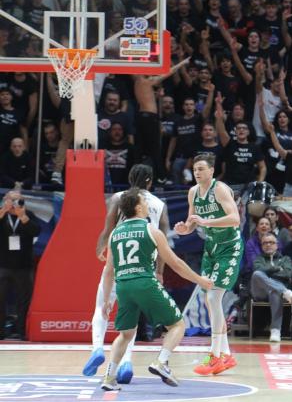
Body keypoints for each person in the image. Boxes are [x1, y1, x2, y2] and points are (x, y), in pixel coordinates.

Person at [100, 189, 213, 391]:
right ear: (137, 207)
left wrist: (107, 299)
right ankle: (161, 362)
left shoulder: (115, 234)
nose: (147, 205)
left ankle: (109, 377)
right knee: (178, 325)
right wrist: (200, 280)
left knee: (125, 334)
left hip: (124, 286)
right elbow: (176, 263)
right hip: (144, 282)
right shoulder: (151, 230)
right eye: (144, 201)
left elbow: (108, 271)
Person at [84, 165, 169, 383]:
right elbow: (164, 243)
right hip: (145, 266)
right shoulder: (160, 205)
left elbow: (108, 226)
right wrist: (160, 271)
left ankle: (96, 349)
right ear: (150, 181)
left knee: (101, 306)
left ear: (130, 178)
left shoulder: (118, 198)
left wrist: (100, 245)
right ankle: (126, 361)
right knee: (130, 315)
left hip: (120, 258)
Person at [174, 153, 243, 375]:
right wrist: (185, 229)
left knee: (213, 297)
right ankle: (226, 355)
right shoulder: (193, 192)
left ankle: (214, 356)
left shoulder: (220, 189)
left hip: (229, 247)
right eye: (195, 169)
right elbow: (192, 222)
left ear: (212, 171)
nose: (197, 172)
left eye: (202, 169)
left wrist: (207, 221)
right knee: (210, 300)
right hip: (211, 248)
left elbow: (235, 218)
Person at [0, 190, 40, 340]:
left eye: (18, 200)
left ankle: (22, 331)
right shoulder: (2, 215)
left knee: (23, 300)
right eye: (12, 200)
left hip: (24, 266)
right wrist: (3, 210)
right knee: (0, 299)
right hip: (2, 265)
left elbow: (36, 231)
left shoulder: (27, 214)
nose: (15, 203)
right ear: (5, 200)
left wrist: (22, 217)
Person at [250, 232, 292, 342]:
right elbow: (258, 271)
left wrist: (267, 273)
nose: (268, 245)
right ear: (261, 246)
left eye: (271, 242)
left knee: (275, 292)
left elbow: (288, 274)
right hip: (260, 292)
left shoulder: (285, 259)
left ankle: (276, 330)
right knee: (257, 275)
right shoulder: (258, 259)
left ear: (277, 245)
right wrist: (277, 269)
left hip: (274, 292)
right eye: (265, 243)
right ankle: (285, 292)